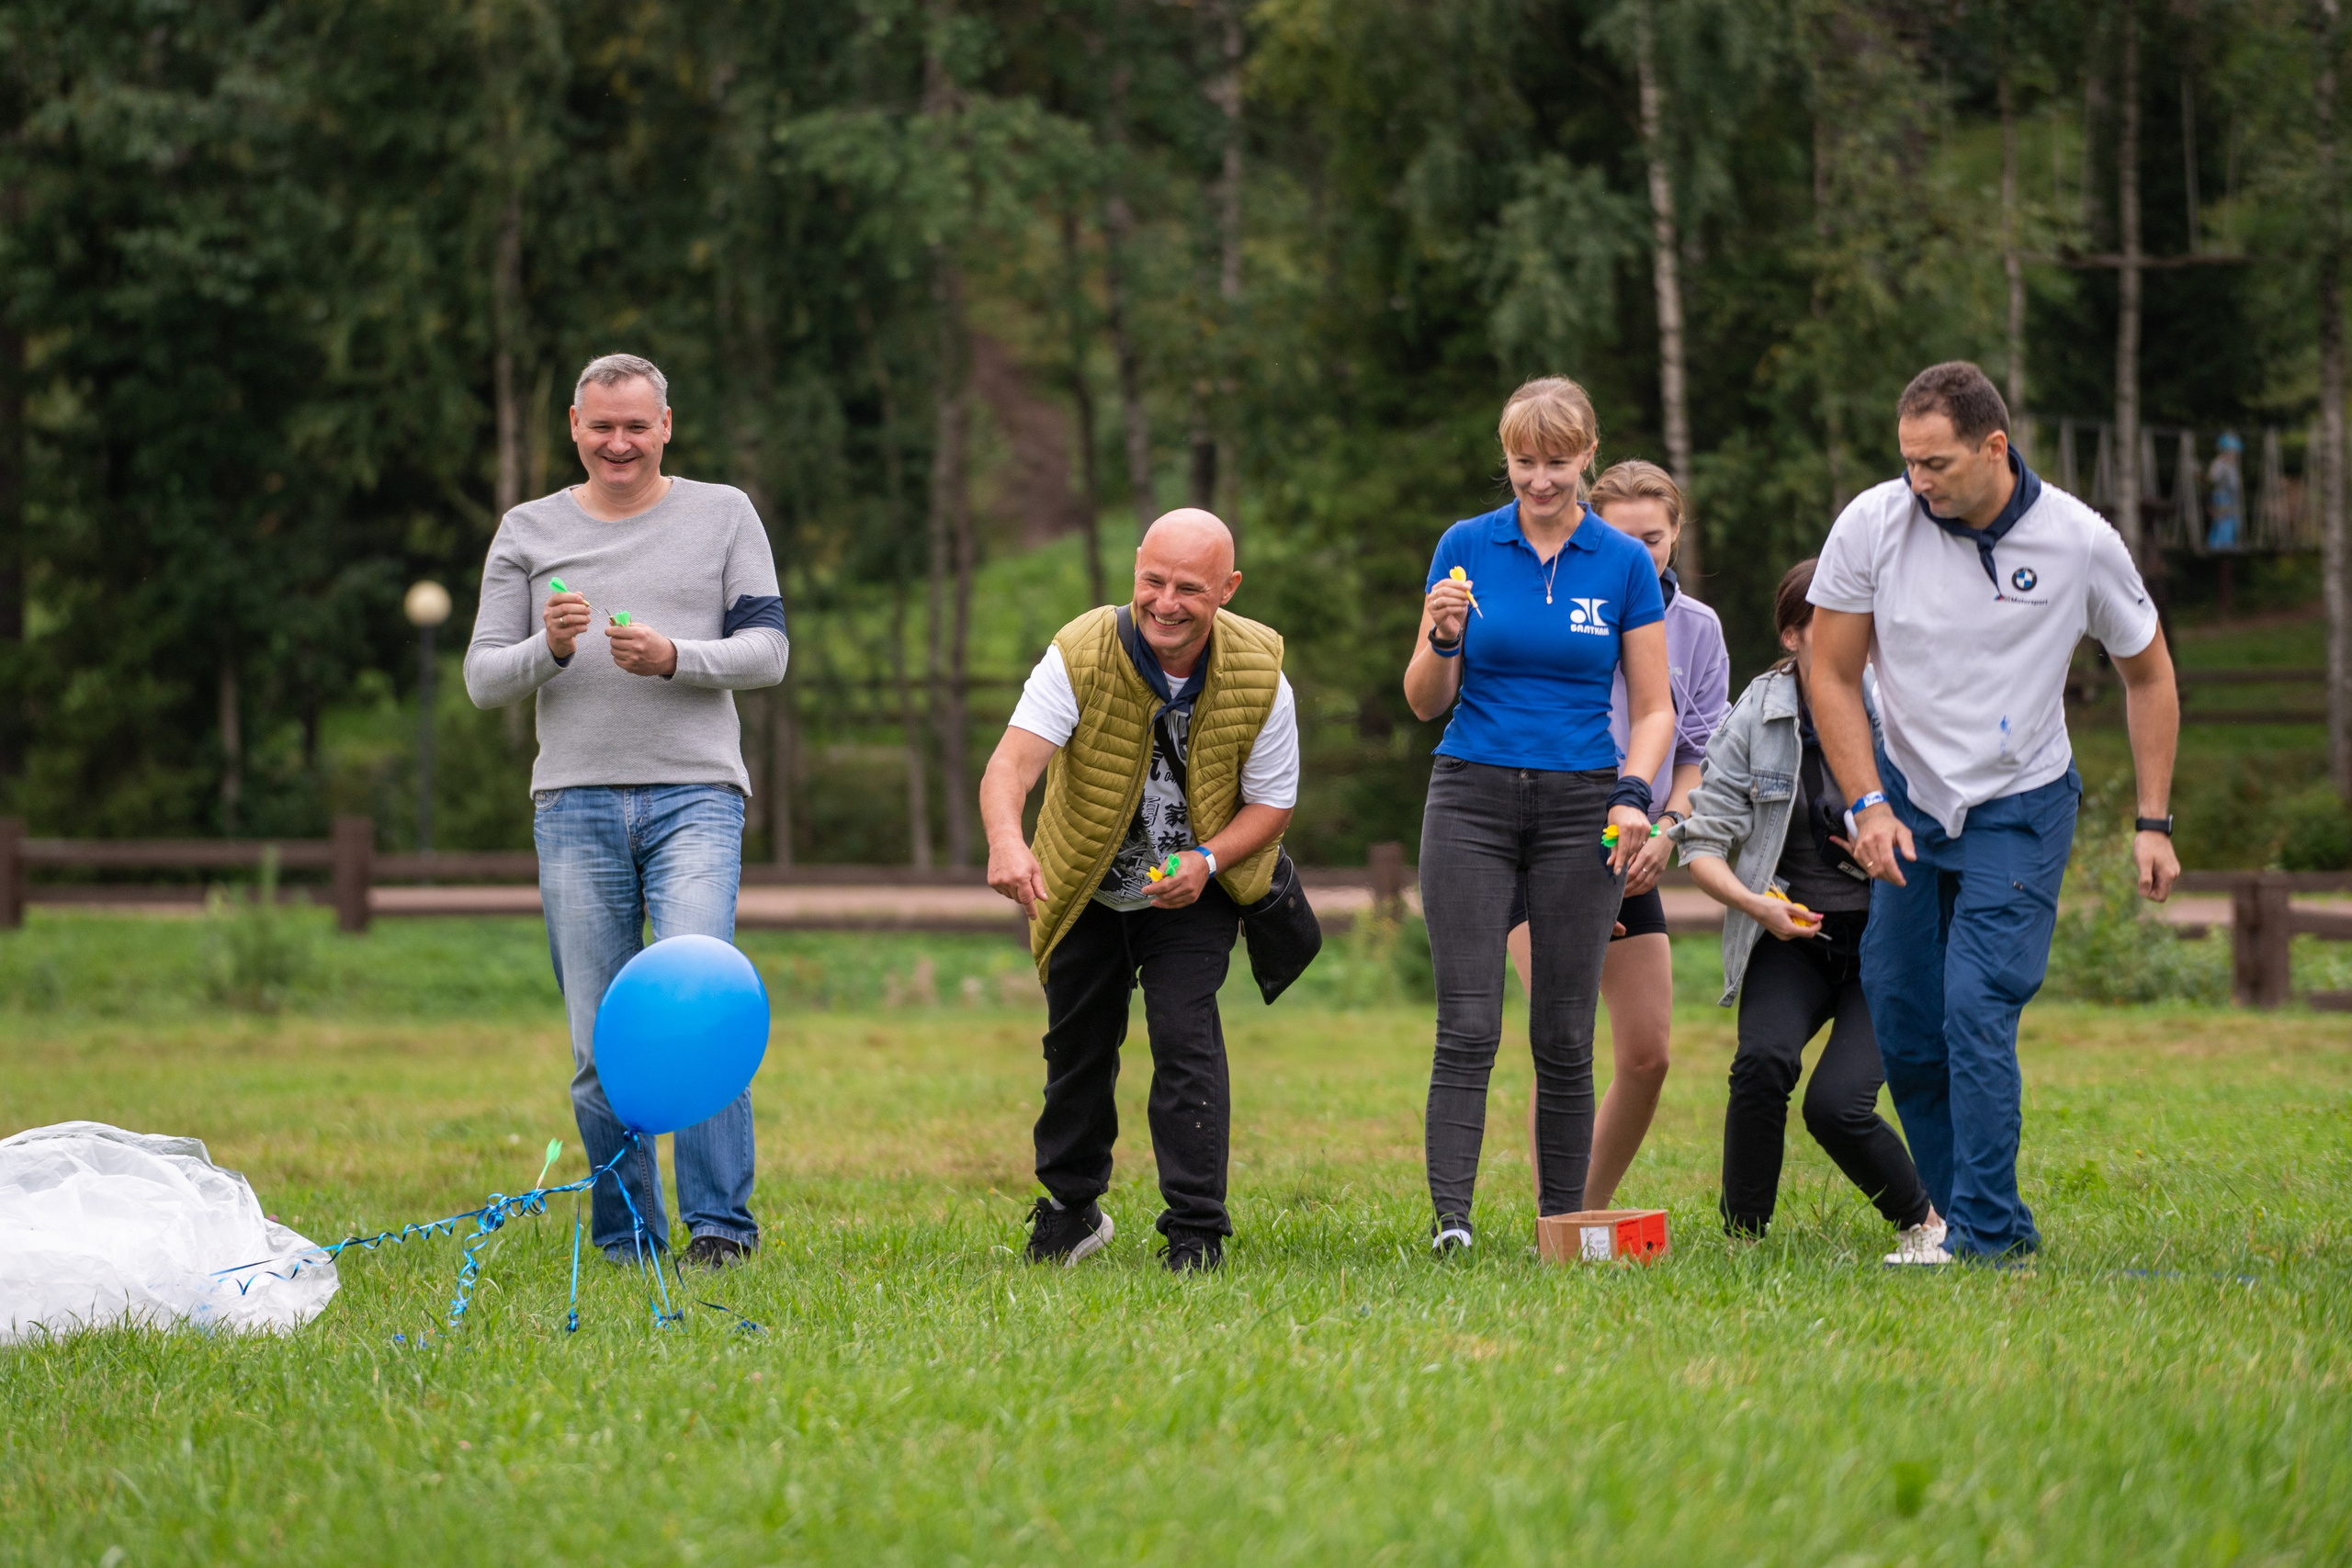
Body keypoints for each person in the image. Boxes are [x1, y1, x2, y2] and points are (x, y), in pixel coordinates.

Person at [1807, 361, 2180, 1264]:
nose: (1917, 481)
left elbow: (2149, 675)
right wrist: (1866, 801)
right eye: (1907, 461)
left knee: (1975, 1005)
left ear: (1993, 449)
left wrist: (2153, 820)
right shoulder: (1872, 523)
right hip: (1906, 799)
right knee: (1903, 1015)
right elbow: (1830, 669)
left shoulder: (2078, 542)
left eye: (1935, 463)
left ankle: (1986, 1232)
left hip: (2020, 804)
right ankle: (1956, 1220)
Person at [464, 353, 788, 1270]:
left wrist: (676, 656)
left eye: (636, 426)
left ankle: (719, 1228)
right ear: (574, 425)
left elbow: (769, 652)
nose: (619, 443)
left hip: (696, 796)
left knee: (700, 1008)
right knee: (599, 1035)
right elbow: (483, 677)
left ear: (665, 427)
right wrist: (550, 650)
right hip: (573, 804)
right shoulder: (527, 529)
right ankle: (627, 1235)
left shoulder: (724, 513)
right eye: (602, 426)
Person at [978, 509, 1297, 1274]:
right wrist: (1007, 841)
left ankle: (1195, 1230)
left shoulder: (1260, 670)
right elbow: (1010, 765)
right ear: (1134, 568)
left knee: (1186, 1042)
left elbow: (1273, 803)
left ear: (1228, 587)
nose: (1166, 602)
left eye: (1190, 588)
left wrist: (1208, 861)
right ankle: (1070, 1210)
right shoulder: (1082, 650)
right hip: (1084, 883)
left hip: (1192, 890)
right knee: (1077, 1050)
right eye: (1152, 581)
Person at [1405, 378, 1676, 1253]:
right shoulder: (1465, 545)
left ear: (1588, 454)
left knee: (1564, 1030)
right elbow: (1424, 699)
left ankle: (1561, 1224)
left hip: (1580, 803)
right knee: (1468, 1022)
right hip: (1470, 796)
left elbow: (1655, 709)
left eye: (1558, 461)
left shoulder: (1622, 562)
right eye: (1524, 461)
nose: (1541, 479)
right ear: (1507, 455)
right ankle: (1452, 1223)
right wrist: (1443, 638)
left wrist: (1633, 793)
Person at [1673, 558, 1945, 1262]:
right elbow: (1702, 841)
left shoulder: (1904, 705)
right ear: (1791, 636)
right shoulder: (1755, 716)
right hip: (1791, 936)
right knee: (1761, 1061)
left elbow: (1951, 821)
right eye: (1830, 624)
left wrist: (1893, 850)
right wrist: (1755, 904)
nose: (1853, 636)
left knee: (1835, 1104)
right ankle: (1743, 1238)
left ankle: (1926, 1223)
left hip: (1887, 940)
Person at [1507, 459, 1728, 1212]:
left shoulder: (1698, 628)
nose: (1641, 553)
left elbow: (1696, 753)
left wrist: (1668, 829)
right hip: (1548, 842)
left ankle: (1580, 1216)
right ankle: (1560, 1225)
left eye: (1654, 538)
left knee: (1647, 1054)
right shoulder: (1555, 602)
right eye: (1623, 537)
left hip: (1641, 847)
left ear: (1676, 535)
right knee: (1564, 1040)